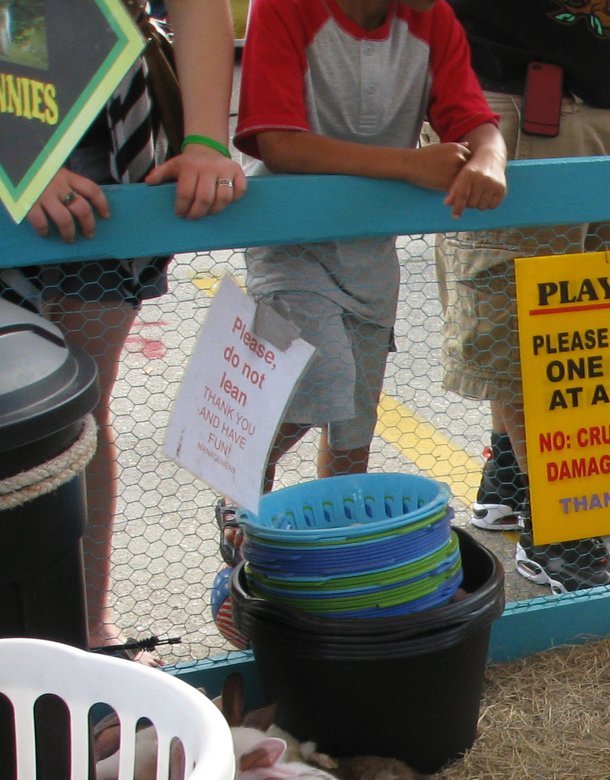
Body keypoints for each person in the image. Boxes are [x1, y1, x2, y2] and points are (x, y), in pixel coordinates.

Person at [4, 0, 249, 656]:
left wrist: (203, 141)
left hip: (108, 139)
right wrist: (12, 153)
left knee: (79, 410)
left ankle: (86, 629)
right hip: (11, 137)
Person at [439, 0, 610, 594]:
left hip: (600, 108)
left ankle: (511, 477)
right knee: (528, 327)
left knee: (576, 314)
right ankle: (557, 528)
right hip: (519, 106)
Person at [235, 0, 505, 493]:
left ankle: (339, 532)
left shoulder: (432, 18)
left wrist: (489, 154)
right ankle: (238, 483)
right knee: (319, 379)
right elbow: (277, 142)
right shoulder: (283, 8)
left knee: (355, 421)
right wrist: (408, 164)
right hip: (290, 244)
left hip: (370, 253)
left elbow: (473, 117)